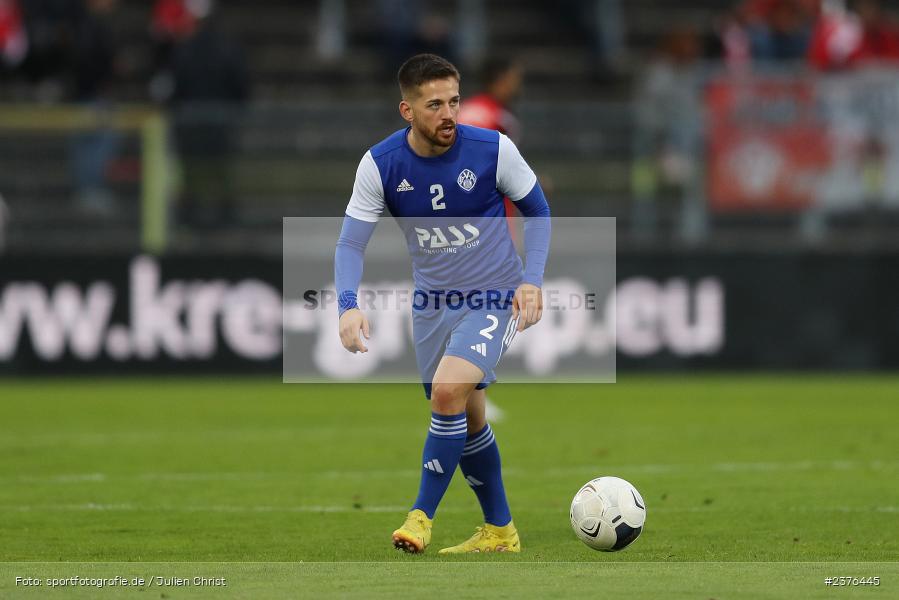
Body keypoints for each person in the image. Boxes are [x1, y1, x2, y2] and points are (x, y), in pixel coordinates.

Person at [334, 54, 551, 554]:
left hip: (494, 297)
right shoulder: (381, 165)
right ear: (407, 110)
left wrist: (532, 280)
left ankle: (420, 518)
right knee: (469, 416)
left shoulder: (493, 149)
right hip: (432, 305)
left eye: (454, 100)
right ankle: (500, 531)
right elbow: (350, 244)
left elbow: (537, 209)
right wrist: (348, 304)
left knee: (448, 394)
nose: (449, 113)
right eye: (434, 104)